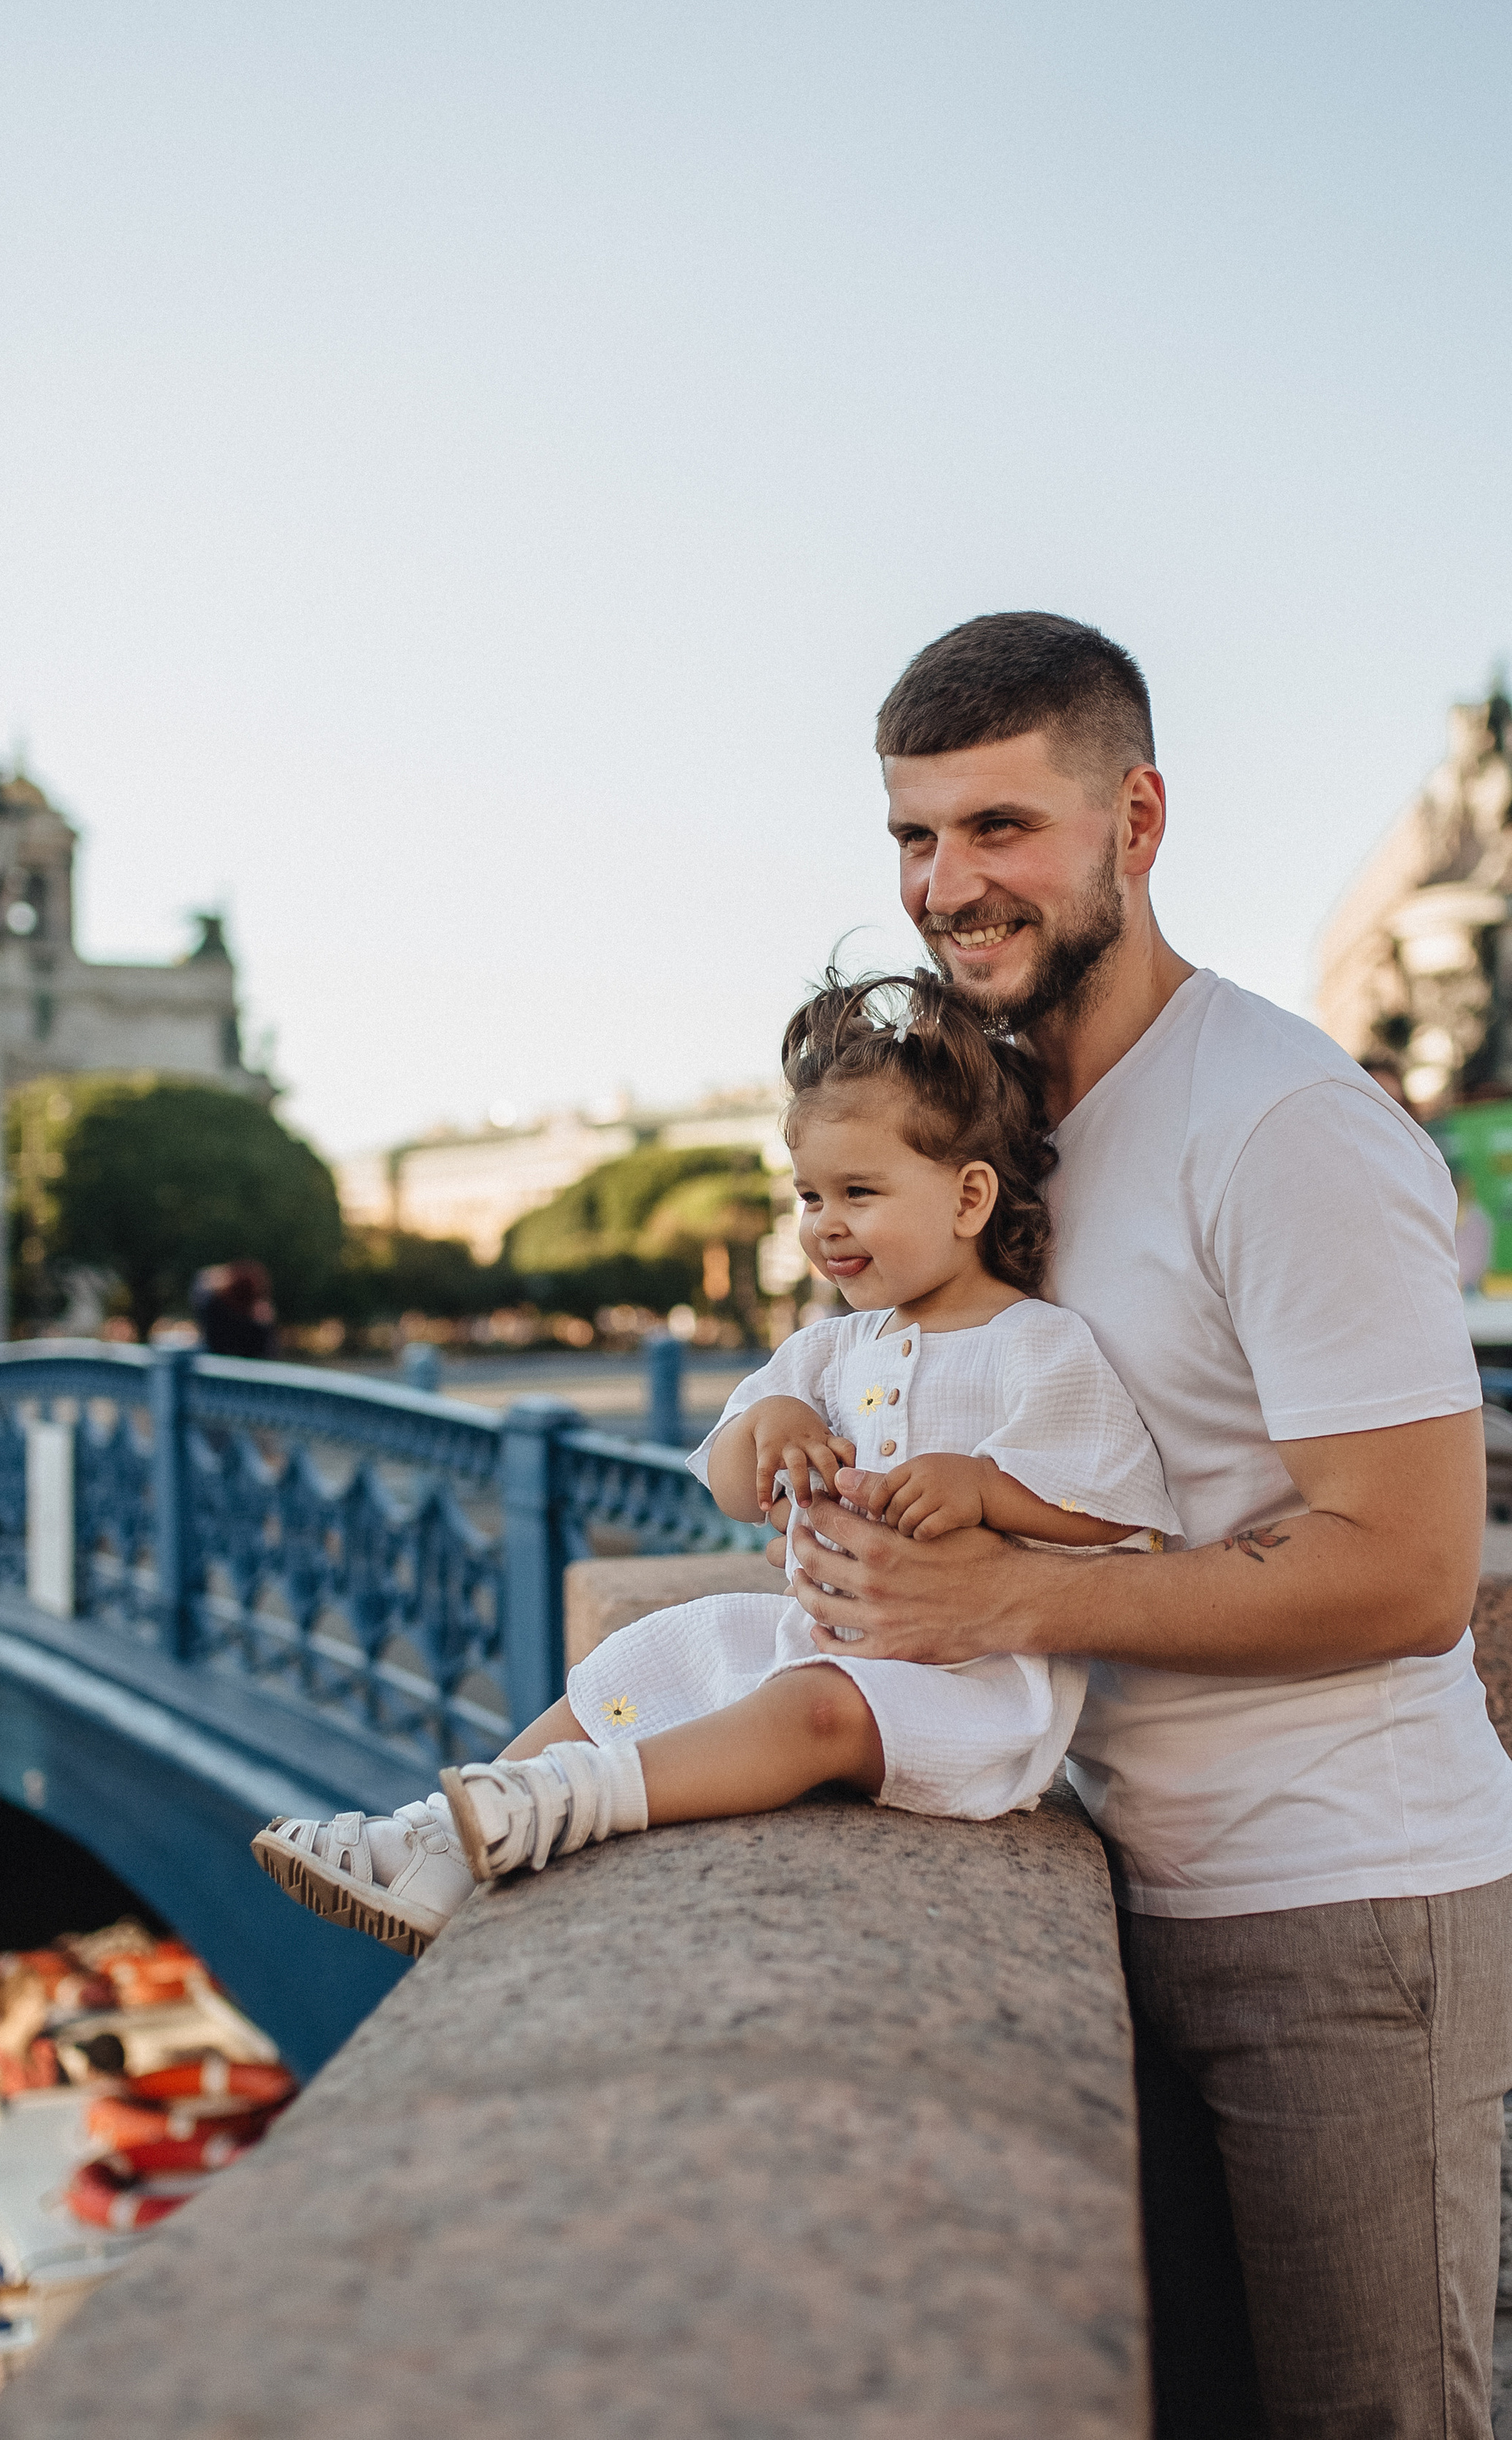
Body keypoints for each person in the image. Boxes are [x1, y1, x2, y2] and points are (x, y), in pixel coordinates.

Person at [751, 611, 1509, 2440]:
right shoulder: (1008, 1132)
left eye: (999, 827)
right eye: (913, 839)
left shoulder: (1278, 1126)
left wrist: (994, 1587)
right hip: (1125, 1871)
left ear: (1135, 819)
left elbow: (1411, 1570)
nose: (947, 885)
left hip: (1340, 1906)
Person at [253, 970, 1178, 1949]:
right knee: (649, 1652)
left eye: (859, 1193)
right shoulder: (827, 1353)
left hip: (975, 1688)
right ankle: (440, 1835)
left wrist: (986, 1487)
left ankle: (572, 1801)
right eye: (809, 1195)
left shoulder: (1035, 1343)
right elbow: (738, 1488)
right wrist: (769, 1422)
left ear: (970, 1197)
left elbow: (1118, 1509)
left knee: (812, 1712)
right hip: (822, 1637)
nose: (825, 1223)